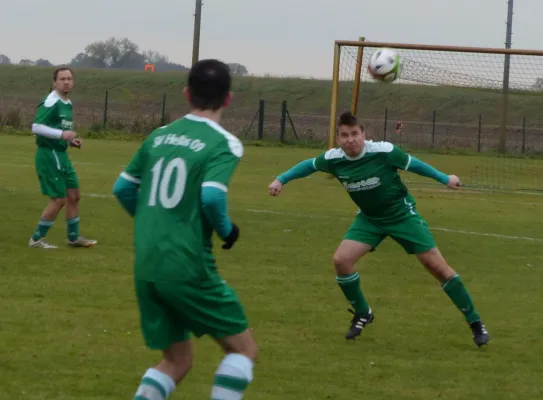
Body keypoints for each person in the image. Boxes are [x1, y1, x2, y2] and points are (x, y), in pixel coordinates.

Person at [267, 111, 489, 348]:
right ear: (338, 139)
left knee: (437, 267)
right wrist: (281, 179)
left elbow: (414, 164)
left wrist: (444, 178)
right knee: (341, 261)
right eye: (344, 135)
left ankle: (475, 322)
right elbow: (308, 166)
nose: (350, 139)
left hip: (401, 215)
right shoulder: (333, 159)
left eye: (354, 134)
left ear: (364, 134)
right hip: (370, 219)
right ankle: (364, 312)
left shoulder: (384, 152)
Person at [112, 59, 257, 400]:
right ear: (228, 99)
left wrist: (154, 222)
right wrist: (227, 230)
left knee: (177, 360)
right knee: (243, 349)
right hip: (186, 263)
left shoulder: (158, 136)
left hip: (147, 263)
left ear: (186, 93)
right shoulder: (225, 143)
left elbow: (122, 188)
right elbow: (210, 197)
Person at [29, 66, 97, 249]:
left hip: (61, 153)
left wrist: (69, 142)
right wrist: (62, 135)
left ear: (73, 82)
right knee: (58, 199)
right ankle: (36, 239)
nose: (66, 82)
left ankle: (73, 238)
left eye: (69, 79)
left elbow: (59, 131)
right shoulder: (51, 101)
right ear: (54, 82)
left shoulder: (67, 103)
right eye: (62, 79)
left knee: (74, 196)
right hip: (49, 155)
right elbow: (36, 127)